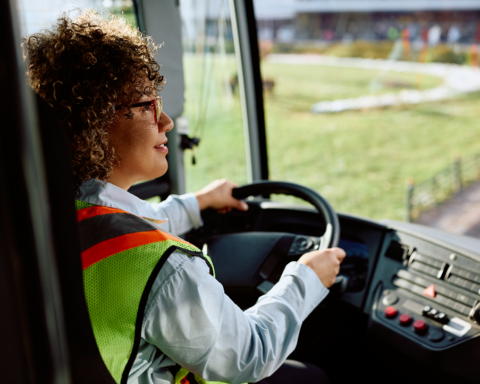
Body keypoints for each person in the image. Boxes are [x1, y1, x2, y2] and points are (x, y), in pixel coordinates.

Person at [23, 10, 345, 384]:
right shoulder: (165, 268)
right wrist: (306, 278)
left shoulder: (51, 217)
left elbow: (120, 233)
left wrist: (197, 203)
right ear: (95, 121)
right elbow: (249, 355)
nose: (166, 121)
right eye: (147, 105)